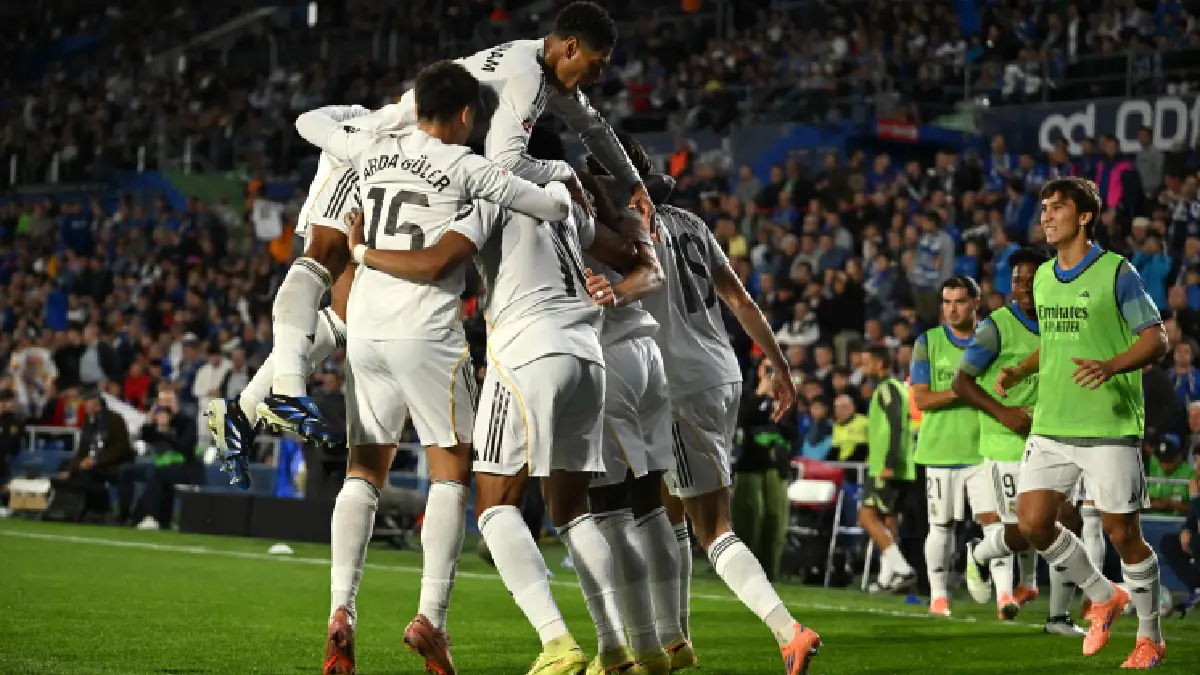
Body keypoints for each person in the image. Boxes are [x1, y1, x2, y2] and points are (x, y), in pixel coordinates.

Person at [344, 122, 658, 675]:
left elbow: (437, 263)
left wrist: (362, 251)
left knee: (493, 507)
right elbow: (632, 253)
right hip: (588, 354)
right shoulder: (565, 198)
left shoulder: (492, 189)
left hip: (527, 352)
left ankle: (558, 641)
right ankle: (617, 647)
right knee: (573, 512)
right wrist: (631, 226)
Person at [295, 61, 576, 675]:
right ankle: (431, 618)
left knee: (363, 472)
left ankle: (341, 610)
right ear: (469, 115)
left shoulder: (372, 146)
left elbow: (308, 122)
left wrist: (389, 115)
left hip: (364, 328)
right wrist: (561, 182)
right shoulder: (468, 166)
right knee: (451, 475)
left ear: (415, 104)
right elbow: (546, 206)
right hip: (427, 333)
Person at [616, 135, 820, 675]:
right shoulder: (690, 223)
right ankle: (675, 639)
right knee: (669, 507)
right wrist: (778, 364)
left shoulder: (624, 229)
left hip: (677, 383)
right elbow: (740, 299)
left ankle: (788, 630)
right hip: (719, 373)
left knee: (713, 526)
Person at [992, 176, 1169, 667]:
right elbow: (1054, 340)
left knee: (1122, 534)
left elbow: (1156, 340)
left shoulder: (1117, 272)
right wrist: (1022, 367)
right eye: (1043, 208)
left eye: (1057, 208)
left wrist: (1111, 365)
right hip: (1052, 423)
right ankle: (1102, 594)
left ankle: (1149, 637)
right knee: (1031, 522)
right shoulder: (1045, 278)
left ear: (1085, 216)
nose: (1046, 215)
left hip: (1108, 424)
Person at [348, 1, 654, 228]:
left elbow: (594, 129)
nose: (598, 77)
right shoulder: (527, 76)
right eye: (596, 64)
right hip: (386, 148)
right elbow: (505, 163)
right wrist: (565, 173)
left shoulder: (539, 63)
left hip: (412, 147)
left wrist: (635, 185)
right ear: (571, 48)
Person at [207, 109, 372, 474]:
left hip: (399, 183)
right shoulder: (377, 120)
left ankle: (244, 409)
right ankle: (286, 390)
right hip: (366, 160)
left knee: (345, 317)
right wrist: (350, 139)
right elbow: (308, 120)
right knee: (323, 256)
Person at [953, 246, 1088, 635]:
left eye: (1030, 279)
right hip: (1007, 442)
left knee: (1067, 521)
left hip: (1056, 436)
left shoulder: (1059, 321)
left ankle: (1059, 617)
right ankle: (980, 553)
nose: (1023, 287)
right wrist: (1004, 412)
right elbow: (961, 383)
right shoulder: (996, 326)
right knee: (1028, 531)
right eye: (1017, 280)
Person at [909, 275, 987, 616]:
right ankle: (939, 596)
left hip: (987, 447)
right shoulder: (927, 342)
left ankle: (1004, 597)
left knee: (998, 524)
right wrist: (963, 389)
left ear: (975, 303)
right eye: (946, 302)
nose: (951, 309)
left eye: (959, 301)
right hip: (941, 449)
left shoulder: (993, 337)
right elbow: (922, 398)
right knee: (941, 525)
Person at [857, 345, 917, 592]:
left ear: (880, 364)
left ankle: (902, 569)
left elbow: (896, 426)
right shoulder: (896, 388)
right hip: (898, 466)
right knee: (887, 520)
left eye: (866, 362)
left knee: (867, 516)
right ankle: (886, 579)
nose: (863, 368)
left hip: (887, 466)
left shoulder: (888, 389)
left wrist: (889, 463)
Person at [732, 358, 794, 584]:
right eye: (767, 368)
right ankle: (745, 572)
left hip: (775, 468)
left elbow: (792, 432)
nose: (770, 373)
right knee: (749, 520)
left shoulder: (788, 398)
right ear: (758, 370)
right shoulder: (747, 395)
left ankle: (769, 572)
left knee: (775, 520)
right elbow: (741, 421)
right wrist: (761, 395)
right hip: (750, 467)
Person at [1158, 459, 1198, 616]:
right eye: (1197, 462)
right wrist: (1187, 529)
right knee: (1168, 542)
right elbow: (1194, 516)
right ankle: (1196, 586)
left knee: (1196, 542)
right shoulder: (1195, 484)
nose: (1198, 468)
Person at [1145, 433, 1195, 515]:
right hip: (1151, 520)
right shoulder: (1154, 467)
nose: (1165, 466)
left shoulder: (1190, 473)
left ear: (1178, 457)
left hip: (1178, 523)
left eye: (1169, 461)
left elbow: (1196, 508)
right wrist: (1152, 504)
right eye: (1162, 461)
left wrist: (1171, 505)